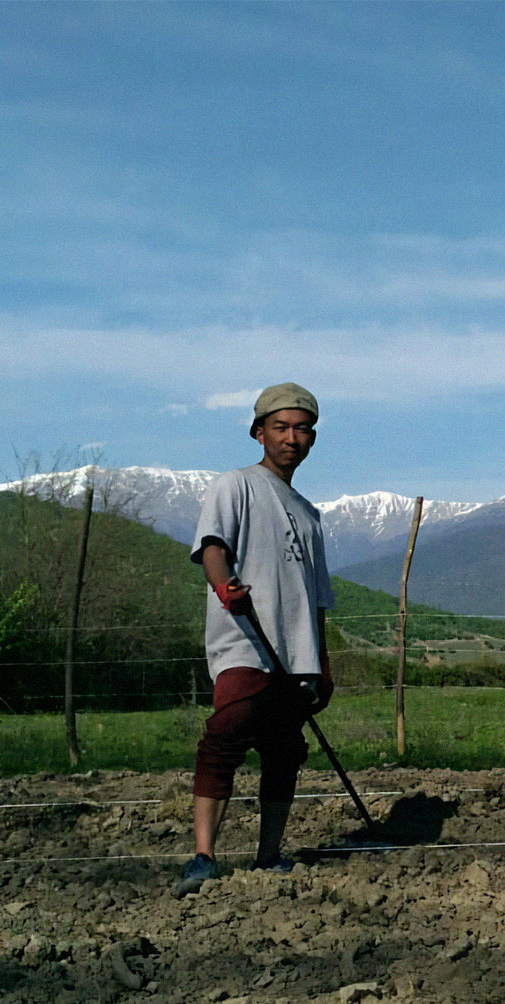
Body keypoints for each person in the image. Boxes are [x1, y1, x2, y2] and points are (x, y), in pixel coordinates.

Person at [174, 382, 335, 897]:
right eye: (281, 427)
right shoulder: (235, 486)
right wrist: (226, 588)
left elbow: (316, 599)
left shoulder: (310, 514)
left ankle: (269, 854)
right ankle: (203, 856)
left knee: (285, 750)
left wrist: (322, 663)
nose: (292, 437)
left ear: (312, 437)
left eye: (302, 428)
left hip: (295, 653)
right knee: (228, 731)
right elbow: (213, 548)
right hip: (244, 638)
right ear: (258, 432)